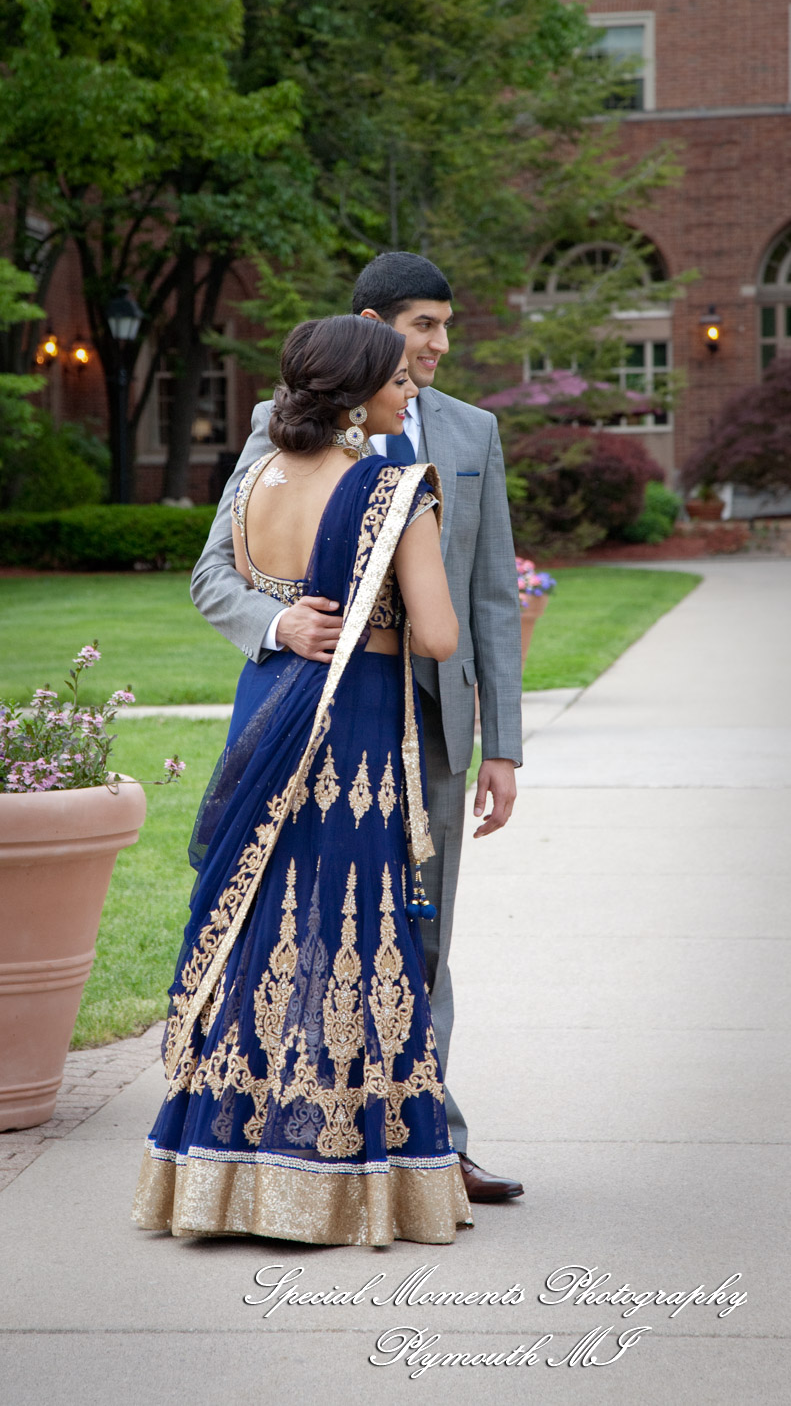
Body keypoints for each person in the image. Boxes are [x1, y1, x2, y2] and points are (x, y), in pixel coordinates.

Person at [190, 253, 524, 1203]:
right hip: (318, 724)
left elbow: (490, 597)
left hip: (431, 728)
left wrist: (500, 741)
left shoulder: (469, 431)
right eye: (423, 326)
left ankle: (430, 1141)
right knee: (305, 926)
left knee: (420, 940)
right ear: (377, 324)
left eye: (446, 328)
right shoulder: (276, 427)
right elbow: (217, 572)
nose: (438, 347)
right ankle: (321, 1137)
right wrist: (278, 623)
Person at [133, 314, 472, 1245]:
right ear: (360, 390)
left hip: (265, 712)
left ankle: (219, 1175)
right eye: (398, 379)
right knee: (349, 927)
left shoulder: (259, 475)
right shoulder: (391, 486)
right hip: (349, 724)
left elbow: (230, 571)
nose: (411, 393)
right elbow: (438, 637)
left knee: (255, 923)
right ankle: (344, 1174)